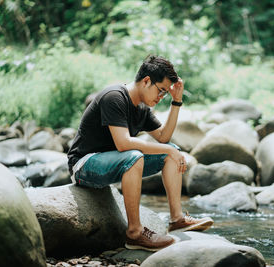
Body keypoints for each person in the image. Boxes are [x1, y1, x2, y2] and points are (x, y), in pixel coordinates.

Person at [67, 55, 213, 252]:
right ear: (146, 81)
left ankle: (177, 219)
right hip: (84, 165)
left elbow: (163, 137)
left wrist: (176, 102)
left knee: (172, 153)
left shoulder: (142, 108)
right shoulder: (114, 97)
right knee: (134, 156)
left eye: (164, 94)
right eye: (161, 91)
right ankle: (135, 233)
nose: (161, 98)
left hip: (114, 163)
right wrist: (168, 148)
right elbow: (123, 143)